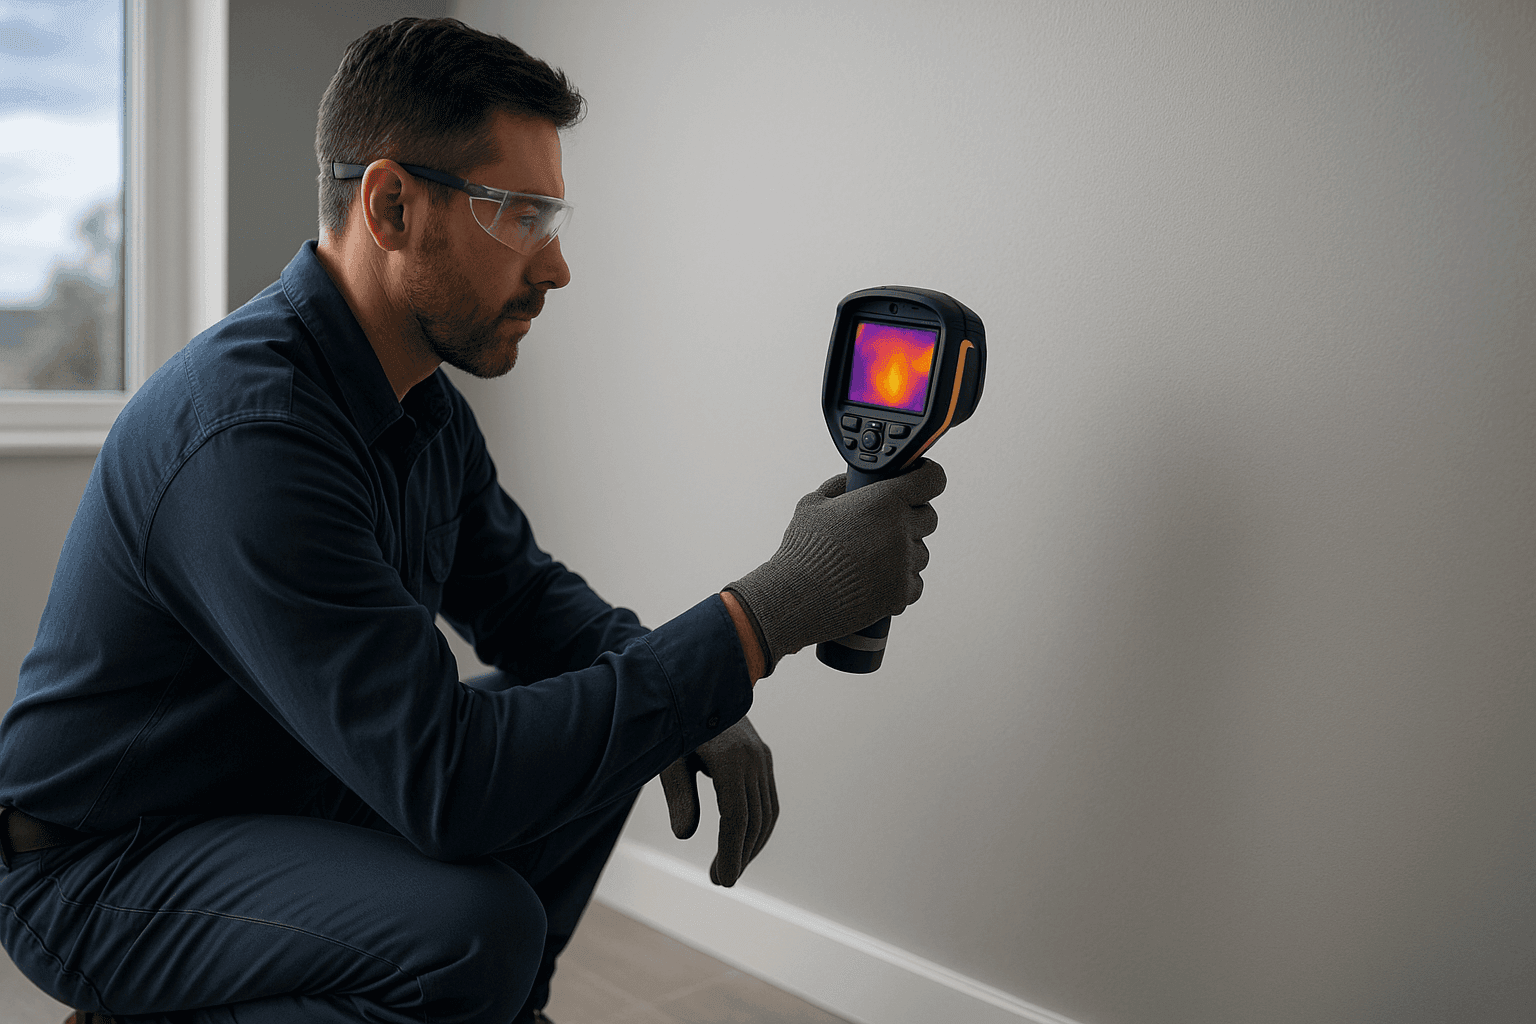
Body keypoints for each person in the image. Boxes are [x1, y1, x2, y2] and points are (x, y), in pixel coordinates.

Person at [0, 18, 944, 1024]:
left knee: (591, 724)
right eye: (520, 214)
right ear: (393, 205)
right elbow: (447, 781)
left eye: (554, 217)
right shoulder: (252, 435)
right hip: (107, 866)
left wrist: (701, 690)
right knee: (478, 925)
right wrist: (764, 615)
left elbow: (526, 599)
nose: (556, 267)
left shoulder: (415, 400)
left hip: (279, 797)